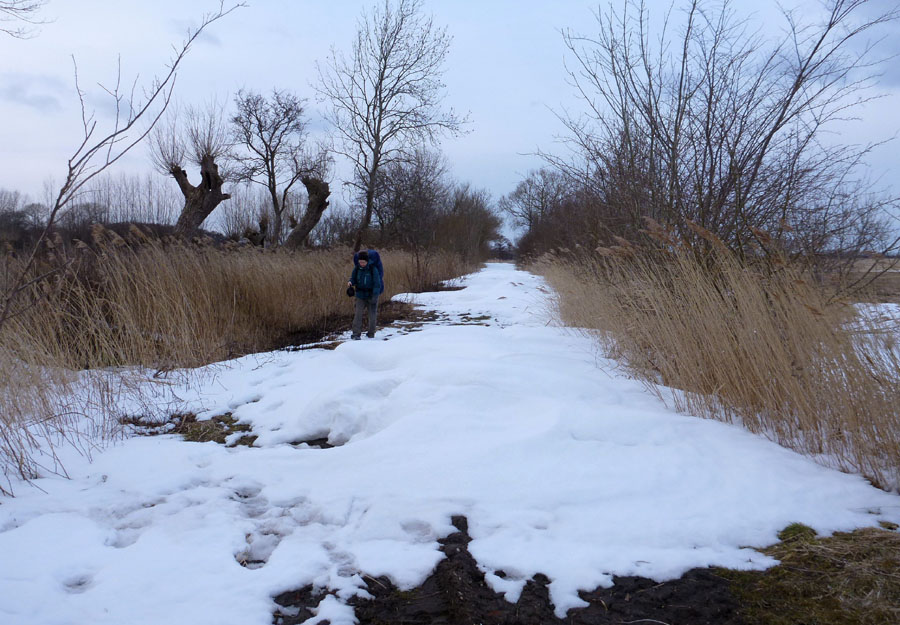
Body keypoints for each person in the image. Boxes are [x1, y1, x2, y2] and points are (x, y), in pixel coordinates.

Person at [348, 250, 383, 339]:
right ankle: (356, 334)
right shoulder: (356, 269)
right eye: (360, 262)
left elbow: (377, 283)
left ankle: (371, 333)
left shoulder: (373, 269)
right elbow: (353, 278)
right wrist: (351, 282)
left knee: (372, 315)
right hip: (360, 295)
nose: (361, 264)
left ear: (367, 261)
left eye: (363, 262)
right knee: (358, 314)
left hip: (371, 295)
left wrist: (375, 296)